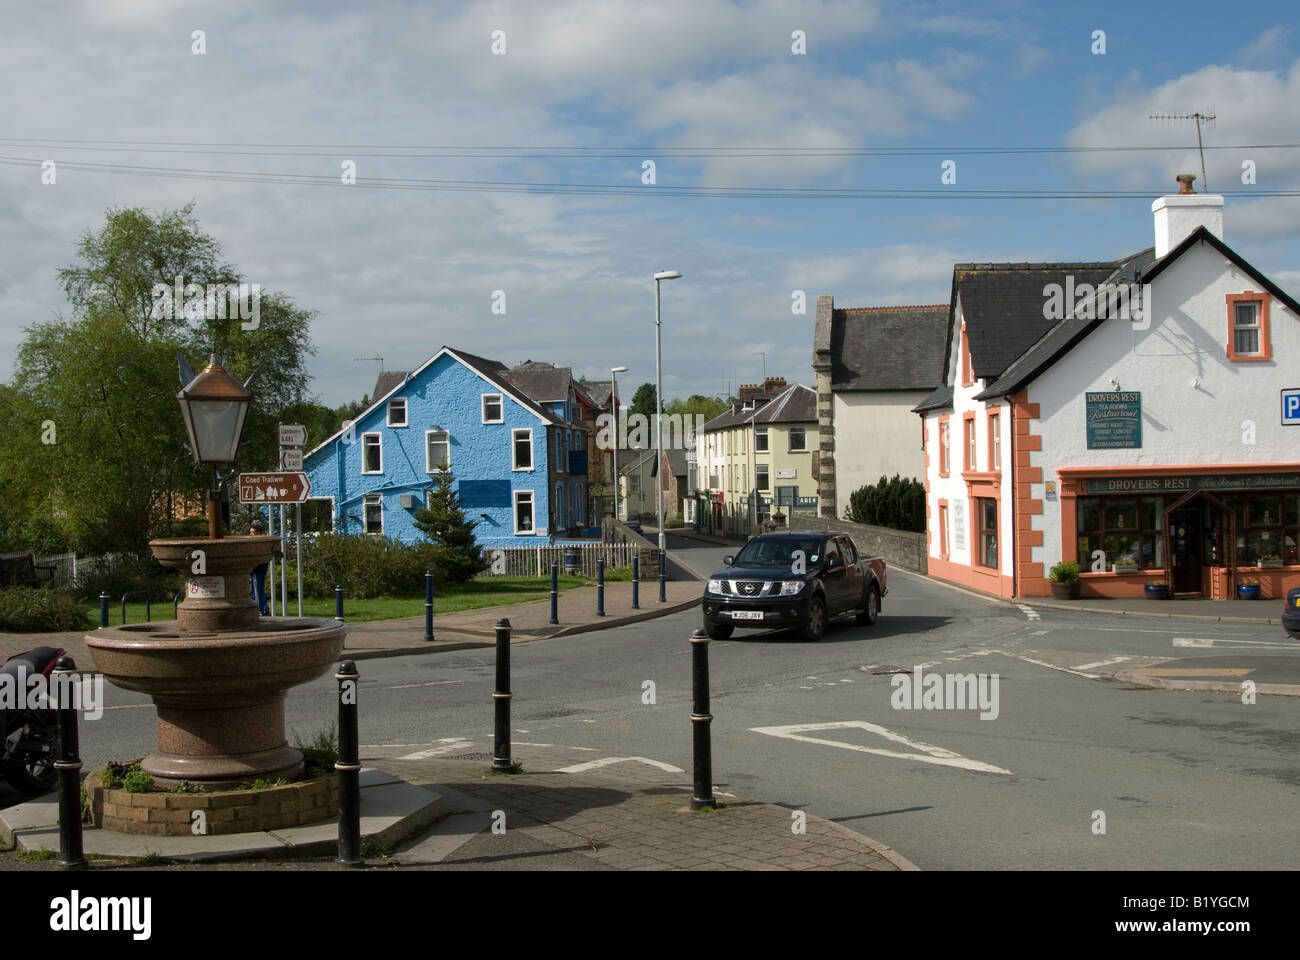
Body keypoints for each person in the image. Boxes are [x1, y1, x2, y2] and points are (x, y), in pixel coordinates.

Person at [249, 519, 271, 615]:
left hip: (258, 569)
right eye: (250, 533)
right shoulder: (256, 542)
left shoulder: (260, 542)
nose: (251, 535)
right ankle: (263, 608)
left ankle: (260, 609)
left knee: (257, 588)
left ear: (258, 533)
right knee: (257, 588)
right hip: (255, 570)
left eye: (252, 533)